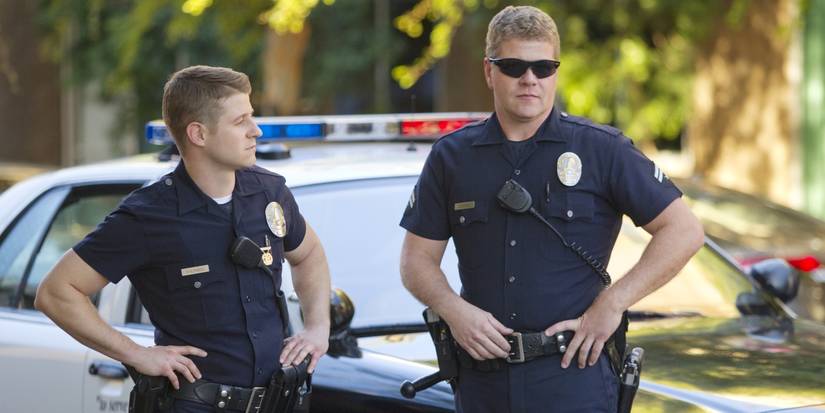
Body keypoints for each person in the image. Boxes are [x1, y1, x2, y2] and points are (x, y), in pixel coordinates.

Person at [399, 6, 704, 412]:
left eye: (543, 67)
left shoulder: (602, 150)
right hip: (482, 382)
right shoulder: (452, 157)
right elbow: (416, 261)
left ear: (556, 72)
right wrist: (455, 311)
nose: (530, 79)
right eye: (514, 66)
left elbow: (684, 231)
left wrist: (612, 304)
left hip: (575, 375)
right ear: (489, 71)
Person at [35, 65, 331, 412]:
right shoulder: (148, 214)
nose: (256, 130)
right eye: (241, 121)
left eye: (252, 116)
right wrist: (136, 354)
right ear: (198, 134)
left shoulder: (270, 193)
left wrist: (317, 327)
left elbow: (309, 253)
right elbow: (56, 291)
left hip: (277, 401)